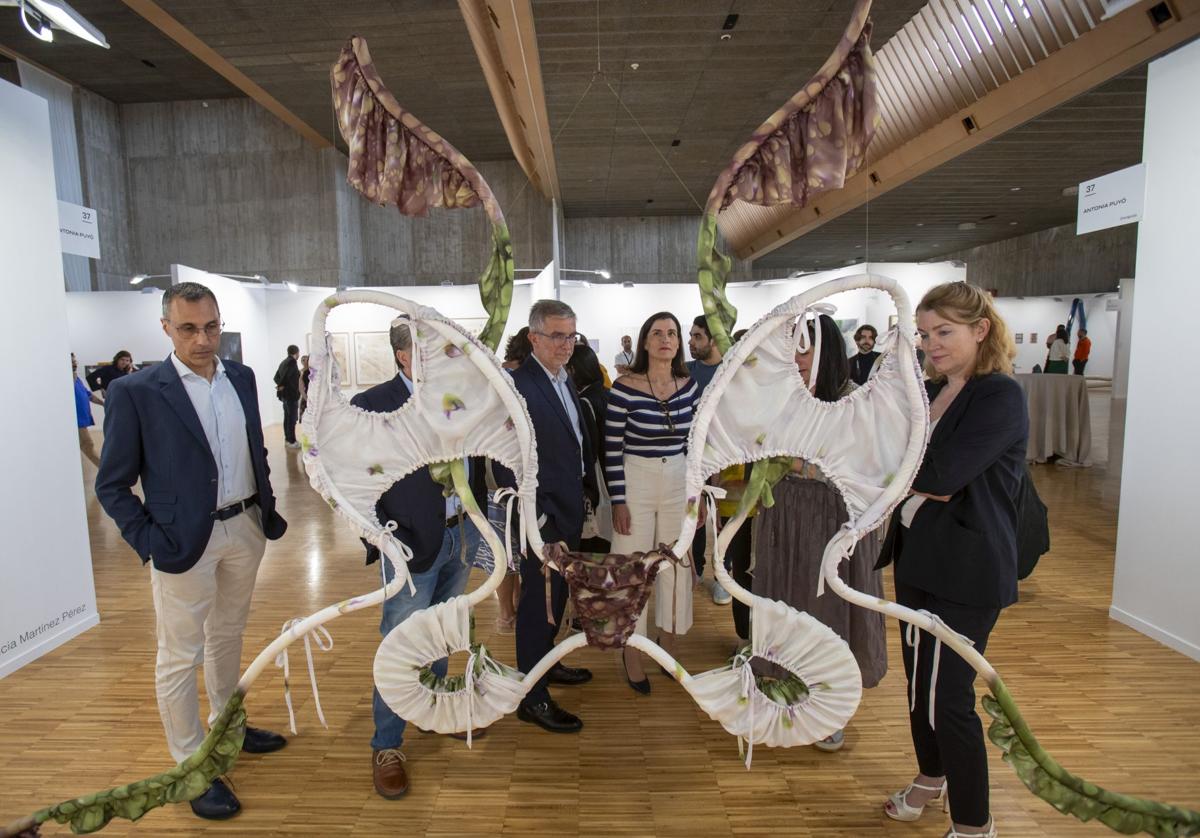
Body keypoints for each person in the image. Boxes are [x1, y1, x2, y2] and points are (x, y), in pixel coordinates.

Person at [95, 282, 289, 822]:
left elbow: (254, 449)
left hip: (245, 528)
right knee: (180, 655)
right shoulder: (137, 391)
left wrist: (263, 506)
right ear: (165, 329)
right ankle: (190, 765)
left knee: (227, 637)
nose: (202, 340)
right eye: (188, 329)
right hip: (182, 543)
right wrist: (150, 543)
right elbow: (112, 484)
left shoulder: (243, 378)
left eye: (210, 327)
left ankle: (227, 729)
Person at [878, 281, 1027, 838]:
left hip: (966, 570)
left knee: (949, 701)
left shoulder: (999, 396)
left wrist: (876, 460)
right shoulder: (938, 389)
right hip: (919, 560)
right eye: (924, 333)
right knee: (921, 690)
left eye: (944, 332)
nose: (931, 344)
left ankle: (974, 825)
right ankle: (930, 778)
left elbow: (938, 477)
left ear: (980, 329)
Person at [351, 318, 487, 800]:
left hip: (462, 533)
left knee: (445, 629)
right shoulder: (372, 406)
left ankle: (433, 710)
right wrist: (381, 541)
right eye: (426, 349)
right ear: (403, 356)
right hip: (410, 543)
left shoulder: (457, 396)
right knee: (400, 642)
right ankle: (386, 744)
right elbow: (357, 483)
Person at [754, 314, 886, 752]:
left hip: (832, 520)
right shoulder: (786, 398)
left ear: (825, 350)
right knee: (785, 602)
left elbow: (861, 468)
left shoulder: (853, 402)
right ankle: (786, 689)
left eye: (804, 348)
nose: (795, 357)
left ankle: (828, 707)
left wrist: (791, 461)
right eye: (792, 348)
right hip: (785, 515)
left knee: (828, 612)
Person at [502, 300, 596, 733]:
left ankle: (546, 664)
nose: (566, 344)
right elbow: (507, 461)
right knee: (538, 605)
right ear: (534, 337)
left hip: (567, 509)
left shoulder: (561, 379)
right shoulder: (518, 386)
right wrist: (535, 518)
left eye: (571, 336)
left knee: (555, 599)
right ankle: (532, 697)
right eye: (557, 336)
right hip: (542, 518)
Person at [606, 312, 699, 695]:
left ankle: (669, 645)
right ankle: (632, 651)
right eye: (657, 333)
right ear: (645, 342)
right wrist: (618, 500)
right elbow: (611, 449)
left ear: (679, 343)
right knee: (632, 567)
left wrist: (699, 496)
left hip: (679, 480)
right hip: (636, 479)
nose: (665, 339)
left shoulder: (689, 386)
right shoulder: (624, 387)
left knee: (675, 566)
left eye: (672, 333)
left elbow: (695, 446)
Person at [686, 315, 731, 605]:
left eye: (697, 336)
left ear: (713, 339)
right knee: (694, 518)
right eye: (690, 336)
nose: (690, 341)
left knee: (724, 521)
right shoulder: (684, 371)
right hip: (692, 456)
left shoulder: (731, 371)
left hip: (728, 456)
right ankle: (694, 571)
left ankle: (723, 575)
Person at [568, 342, 611, 553]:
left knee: (592, 551)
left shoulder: (584, 402)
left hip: (597, 485)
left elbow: (588, 453)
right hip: (613, 480)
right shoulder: (607, 394)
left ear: (573, 369)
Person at [73, 352, 104, 468]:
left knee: (86, 444)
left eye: (75, 361)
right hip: (77, 420)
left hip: (82, 418)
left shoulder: (77, 379)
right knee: (88, 444)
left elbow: (88, 395)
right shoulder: (66, 379)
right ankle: (103, 469)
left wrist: (103, 404)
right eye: (71, 361)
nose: (74, 363)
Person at [274, 345, 301, 448]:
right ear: (297, 352)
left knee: (287, 418)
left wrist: (281, 386)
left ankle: (288, 439)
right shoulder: (292, 362)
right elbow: (289, 378)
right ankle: (292, 441)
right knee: (292, 419)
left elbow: (276, 377)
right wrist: (284, 386)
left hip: (285, 396)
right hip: (291, 396)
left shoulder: (283, 362)